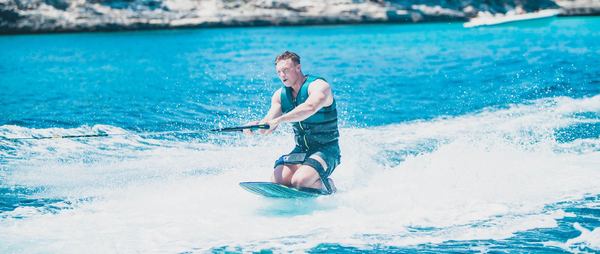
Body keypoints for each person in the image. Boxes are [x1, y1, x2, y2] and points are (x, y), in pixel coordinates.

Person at [245, 51, 341, 194]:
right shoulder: (280, 95)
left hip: (327, 150)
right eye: (278, 72)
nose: (282, 75)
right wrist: (257, 126)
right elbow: (268, 124)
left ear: (298, 68)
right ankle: (309, 180)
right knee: (277, 180)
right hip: (301, 150)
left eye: (285, 70)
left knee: (300, 181)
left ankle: (328, 185)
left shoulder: (319, 86)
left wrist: (280, 119)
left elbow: (310, 107)